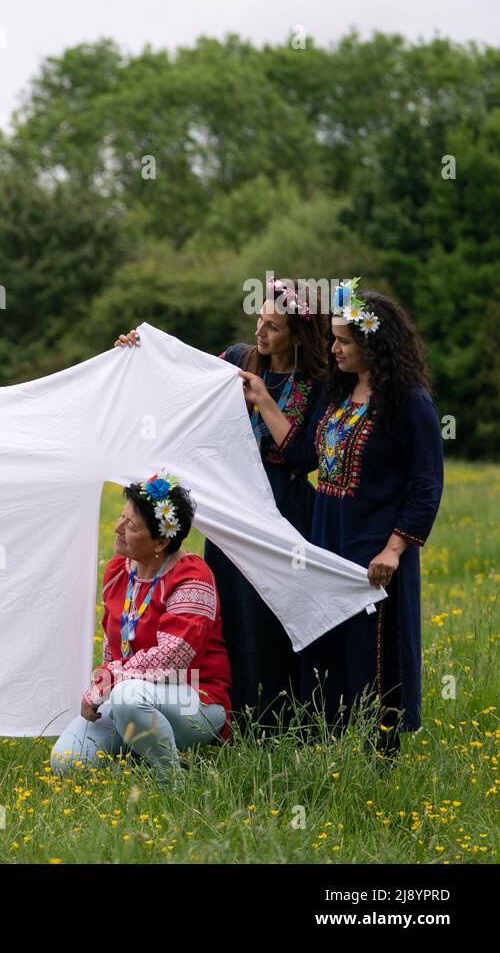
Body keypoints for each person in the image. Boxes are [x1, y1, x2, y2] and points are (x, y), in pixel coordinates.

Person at [116, 277, 328, 730]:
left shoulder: (317, 382)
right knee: (231, 606)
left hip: (283, 507)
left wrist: (265, 400)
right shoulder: (236, 359)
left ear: (298, 334)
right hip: (232, 503)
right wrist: (139, 353)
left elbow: (306, 456)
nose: (261, 333)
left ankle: (282, 719)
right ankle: (235, 715)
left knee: (273, 610)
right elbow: (181, 383)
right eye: (260, 320)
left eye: (273, 327)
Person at [243, 279, 444, 754]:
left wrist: (394, 550)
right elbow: (302, 454)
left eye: (344, 340)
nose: (333, 348)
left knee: (372, 655)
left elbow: (426, 485)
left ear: (373, 343)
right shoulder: (336, 396)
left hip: (372, 552)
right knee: (326, 651)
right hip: (325, 544)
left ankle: (379, 760)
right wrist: (264, 401)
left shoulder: (408, 403)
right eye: (333, 337)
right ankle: (330, 751)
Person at [51, 472, 232, 783]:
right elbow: (112, 651)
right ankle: (144, 755)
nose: (118, 528)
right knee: (67, 762)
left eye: (131, 526)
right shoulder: (117, 572)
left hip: (195, 699)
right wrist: (107, 679)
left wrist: (106, 684)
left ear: (161, 540)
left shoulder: (192, 578)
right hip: (132, 695)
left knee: (126, 698)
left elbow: (172, 660)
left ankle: (171, 779)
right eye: (122, 517)